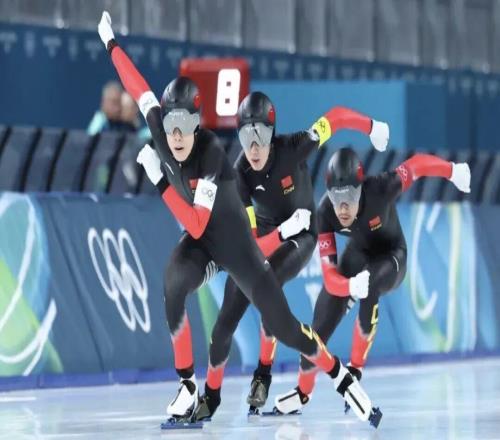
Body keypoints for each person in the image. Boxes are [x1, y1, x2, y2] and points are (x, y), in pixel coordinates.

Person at [97, 11, 382, 427]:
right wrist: (110, 43)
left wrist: (159, 181)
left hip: (236, 247)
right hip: (210, 242)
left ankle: (339, 375)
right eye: (170, 125)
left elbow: (198, 223)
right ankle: (190, 386)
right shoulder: (219, 159)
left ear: (198, 126)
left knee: (285, 327)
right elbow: (137, 86)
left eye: (184, 126)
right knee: (174, 287)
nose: (175, 137)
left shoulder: (214, 154)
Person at [195, 91, 390, 420]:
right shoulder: (240, 174)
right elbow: (254, 247)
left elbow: (336, 116)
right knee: (226, 317)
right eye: (245, 137)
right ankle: (210, 397)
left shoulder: (294, 147)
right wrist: (281, 232)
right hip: (274, 234)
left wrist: (370, 126)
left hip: (303, 235)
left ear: (272, 133)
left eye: (260, 136)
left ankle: (263, 373)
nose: (253, 148)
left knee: (268, 283)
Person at [273, 147, 471, 415]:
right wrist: (348, 286)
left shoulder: (381, 188)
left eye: (349, 197)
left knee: (370, 284)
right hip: (358, 254)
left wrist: (453, 171)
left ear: (361, 189)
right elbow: (330, 279)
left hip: (392, 256)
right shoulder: (325, 212)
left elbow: (416, 165)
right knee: (318, 330)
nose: (343, 207)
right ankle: (303, 392)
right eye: (336, 197)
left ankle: (355, 369)